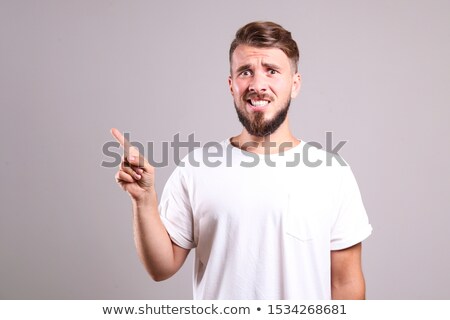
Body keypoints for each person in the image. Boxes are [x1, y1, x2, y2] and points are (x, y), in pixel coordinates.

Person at [111, 21, 372, 299]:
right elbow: (161, 268)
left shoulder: (331, 172)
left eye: (272, 71)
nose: (258, 85)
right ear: (231, 85)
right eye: (246, 72)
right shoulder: (195, 169)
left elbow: (346, 284)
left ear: (295, 84)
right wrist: (144, 200)